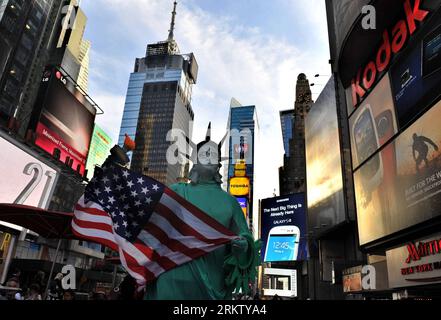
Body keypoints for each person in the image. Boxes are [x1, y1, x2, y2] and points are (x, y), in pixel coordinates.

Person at [144, 124, 260, 300]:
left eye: (213, 154)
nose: (209, 157)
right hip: (171, 276)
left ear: (218, 165)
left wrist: (243, 246)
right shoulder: (176, 191)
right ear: (194, 161)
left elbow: (245, 236)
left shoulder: (230, 203)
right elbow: (147, 217)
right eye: (204, 153)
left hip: (212, 282)